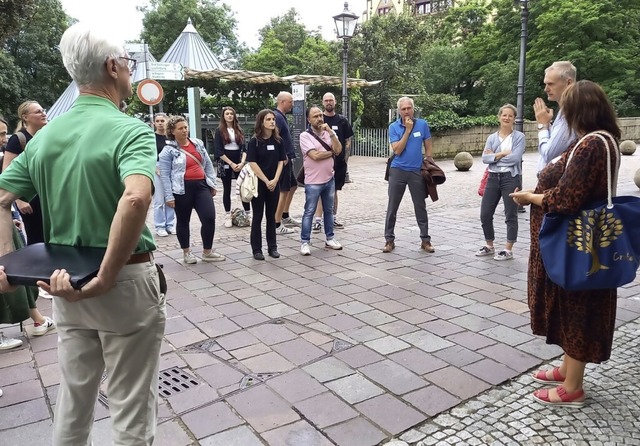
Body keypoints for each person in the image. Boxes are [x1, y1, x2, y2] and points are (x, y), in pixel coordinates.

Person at [0, 23, 166, 444]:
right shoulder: (129, 130)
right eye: (127, 64)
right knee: (131, 407)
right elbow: (135, 199)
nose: (129, 72)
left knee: (73, 402)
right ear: (112, 67)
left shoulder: (44, 136)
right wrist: (106, 276)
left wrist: (7, 262)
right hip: (123, 282)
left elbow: (1, 196)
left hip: (63, 285)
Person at [511, 80, 621, 407]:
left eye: (567, 109)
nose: (564, 115)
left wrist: (530, 196)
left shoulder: (591, 145)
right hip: (581, 240)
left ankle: (573, 387)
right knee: (571, 305)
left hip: (578, 243)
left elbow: (568, 198)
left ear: (580, 110)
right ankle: (567, 368)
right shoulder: (603, 140)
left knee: (577, 307)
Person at [159, 116, 225, 264]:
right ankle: (187, 252)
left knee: (209, 217)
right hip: (181, 189)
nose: (184, 130)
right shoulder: (168, 151)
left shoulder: (197, 144)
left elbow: (207, 163)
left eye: (185, 127)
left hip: (201, 186)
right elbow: (164, 175)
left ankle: (207, 252)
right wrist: (169, 196)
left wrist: (212, 183)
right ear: (172, 131)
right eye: (180, 128)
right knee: (183, 220)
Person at [383, 97, 434, 254]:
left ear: (413, 109)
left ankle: (425, 240)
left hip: (416, 171)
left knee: (420, 206)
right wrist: (407, 130)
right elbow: (397, 150)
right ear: (399, 111)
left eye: (409, 108)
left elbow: (428, 143)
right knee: (392, 207)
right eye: (403, 109)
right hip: (397, 170)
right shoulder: (394, 127)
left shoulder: (422, 124)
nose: (406, 111)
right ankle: (389, 240)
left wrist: (429, 160)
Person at [475, 104, 525, 261]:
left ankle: (508, 249)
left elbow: (515, 158)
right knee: (485, 213)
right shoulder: (492, 138)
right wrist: (502, 153)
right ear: (499, 117)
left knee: (511, 213)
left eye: (510, 116)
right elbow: (484, 158)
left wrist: (494, 157)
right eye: (504, 115)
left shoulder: (519, 137)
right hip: (493, 177)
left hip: (510, 178)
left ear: (514, 119)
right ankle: (489, 245)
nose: (507, 118)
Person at [2, 101, 48, 245]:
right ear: (25, 117)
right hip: (28, 199)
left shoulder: (46, 136)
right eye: (38, 111)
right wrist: (19, 200)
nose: (43, 113)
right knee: (36, 237)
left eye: (43, 110)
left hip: (44, 194)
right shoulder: (18, 139)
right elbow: (7, 172)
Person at [299, 106, 343, 255]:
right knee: (309, 211)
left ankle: (330, 237)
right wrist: (331, 152)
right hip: (313, 181)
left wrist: (331, 133)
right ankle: (305, 241)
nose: (319, 118)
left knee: (329, 210)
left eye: (320, 115)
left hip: (329, 178)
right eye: (315, 116)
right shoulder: (305, 136)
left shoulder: (328, 133)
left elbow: (339, 149)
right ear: (309, 119)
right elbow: (315, 156)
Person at [246, 110, 286, 260]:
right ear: (261, 122)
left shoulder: (278, 141)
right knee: (258, 216)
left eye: (273, 119)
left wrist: (275, 179)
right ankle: (257, 249)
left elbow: (281, 161)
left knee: (272, 216)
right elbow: (252, 162)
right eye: (268, 119)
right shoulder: (255, 141)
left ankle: (272, 247)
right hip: (259, 183)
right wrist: (266, 180)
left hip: (273, 183)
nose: (272, 121)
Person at [311, 92, 354, 233]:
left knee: (334, 191)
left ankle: (333, 218)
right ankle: (318, 220)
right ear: (323, 102)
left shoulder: (342, 120)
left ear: (335, 102)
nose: (329, 102)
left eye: (331, 100)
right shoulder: (318, 121)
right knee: (319, 190)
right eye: (326, 100)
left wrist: (344, 159)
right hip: (322, 162)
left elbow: (348, 140)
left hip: (339, 163)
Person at [533, 61, 577, 172]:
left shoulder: (570, 112)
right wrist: (548, 125)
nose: (546, 89)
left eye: (551, 84)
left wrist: (542, 125)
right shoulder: (565, 111)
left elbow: (549, 154)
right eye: (545, 84)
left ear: (569, 83)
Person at [213, 106, 251, 227]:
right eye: (227, 114)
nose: (229, 116)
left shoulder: (239, 130)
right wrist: (231, 163)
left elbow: (244, 148)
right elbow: (218, 151)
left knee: (243, 187)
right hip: (226, 160)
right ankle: (227, 214)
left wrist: (242, 162)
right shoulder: (219, 130)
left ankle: (248, 213)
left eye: (231, 114)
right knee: (227, 188)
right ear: (223, 116)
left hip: (239, 159)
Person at [273, 92, 300, 235]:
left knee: (293, 186)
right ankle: (277, 224)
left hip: (287, 158)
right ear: (283, 102)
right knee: (283, 190)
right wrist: (281, 157)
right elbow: (274, 138)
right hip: (283, 160)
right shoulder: (276, 117)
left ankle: (285, 215)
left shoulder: (281, 116)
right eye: (291, 101)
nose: (293, 104)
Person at [152, 113, 175, 237]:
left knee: (170, 198)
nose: (160, 123)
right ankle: (160, 225)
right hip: (158, 168)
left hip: (171, 168)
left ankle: (170, 224)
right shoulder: (151, 137)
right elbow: (149, 154)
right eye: (158, 121)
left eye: (162, 120)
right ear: (154, 123)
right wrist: (155, 168)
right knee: (159, 199)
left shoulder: (171, 137)